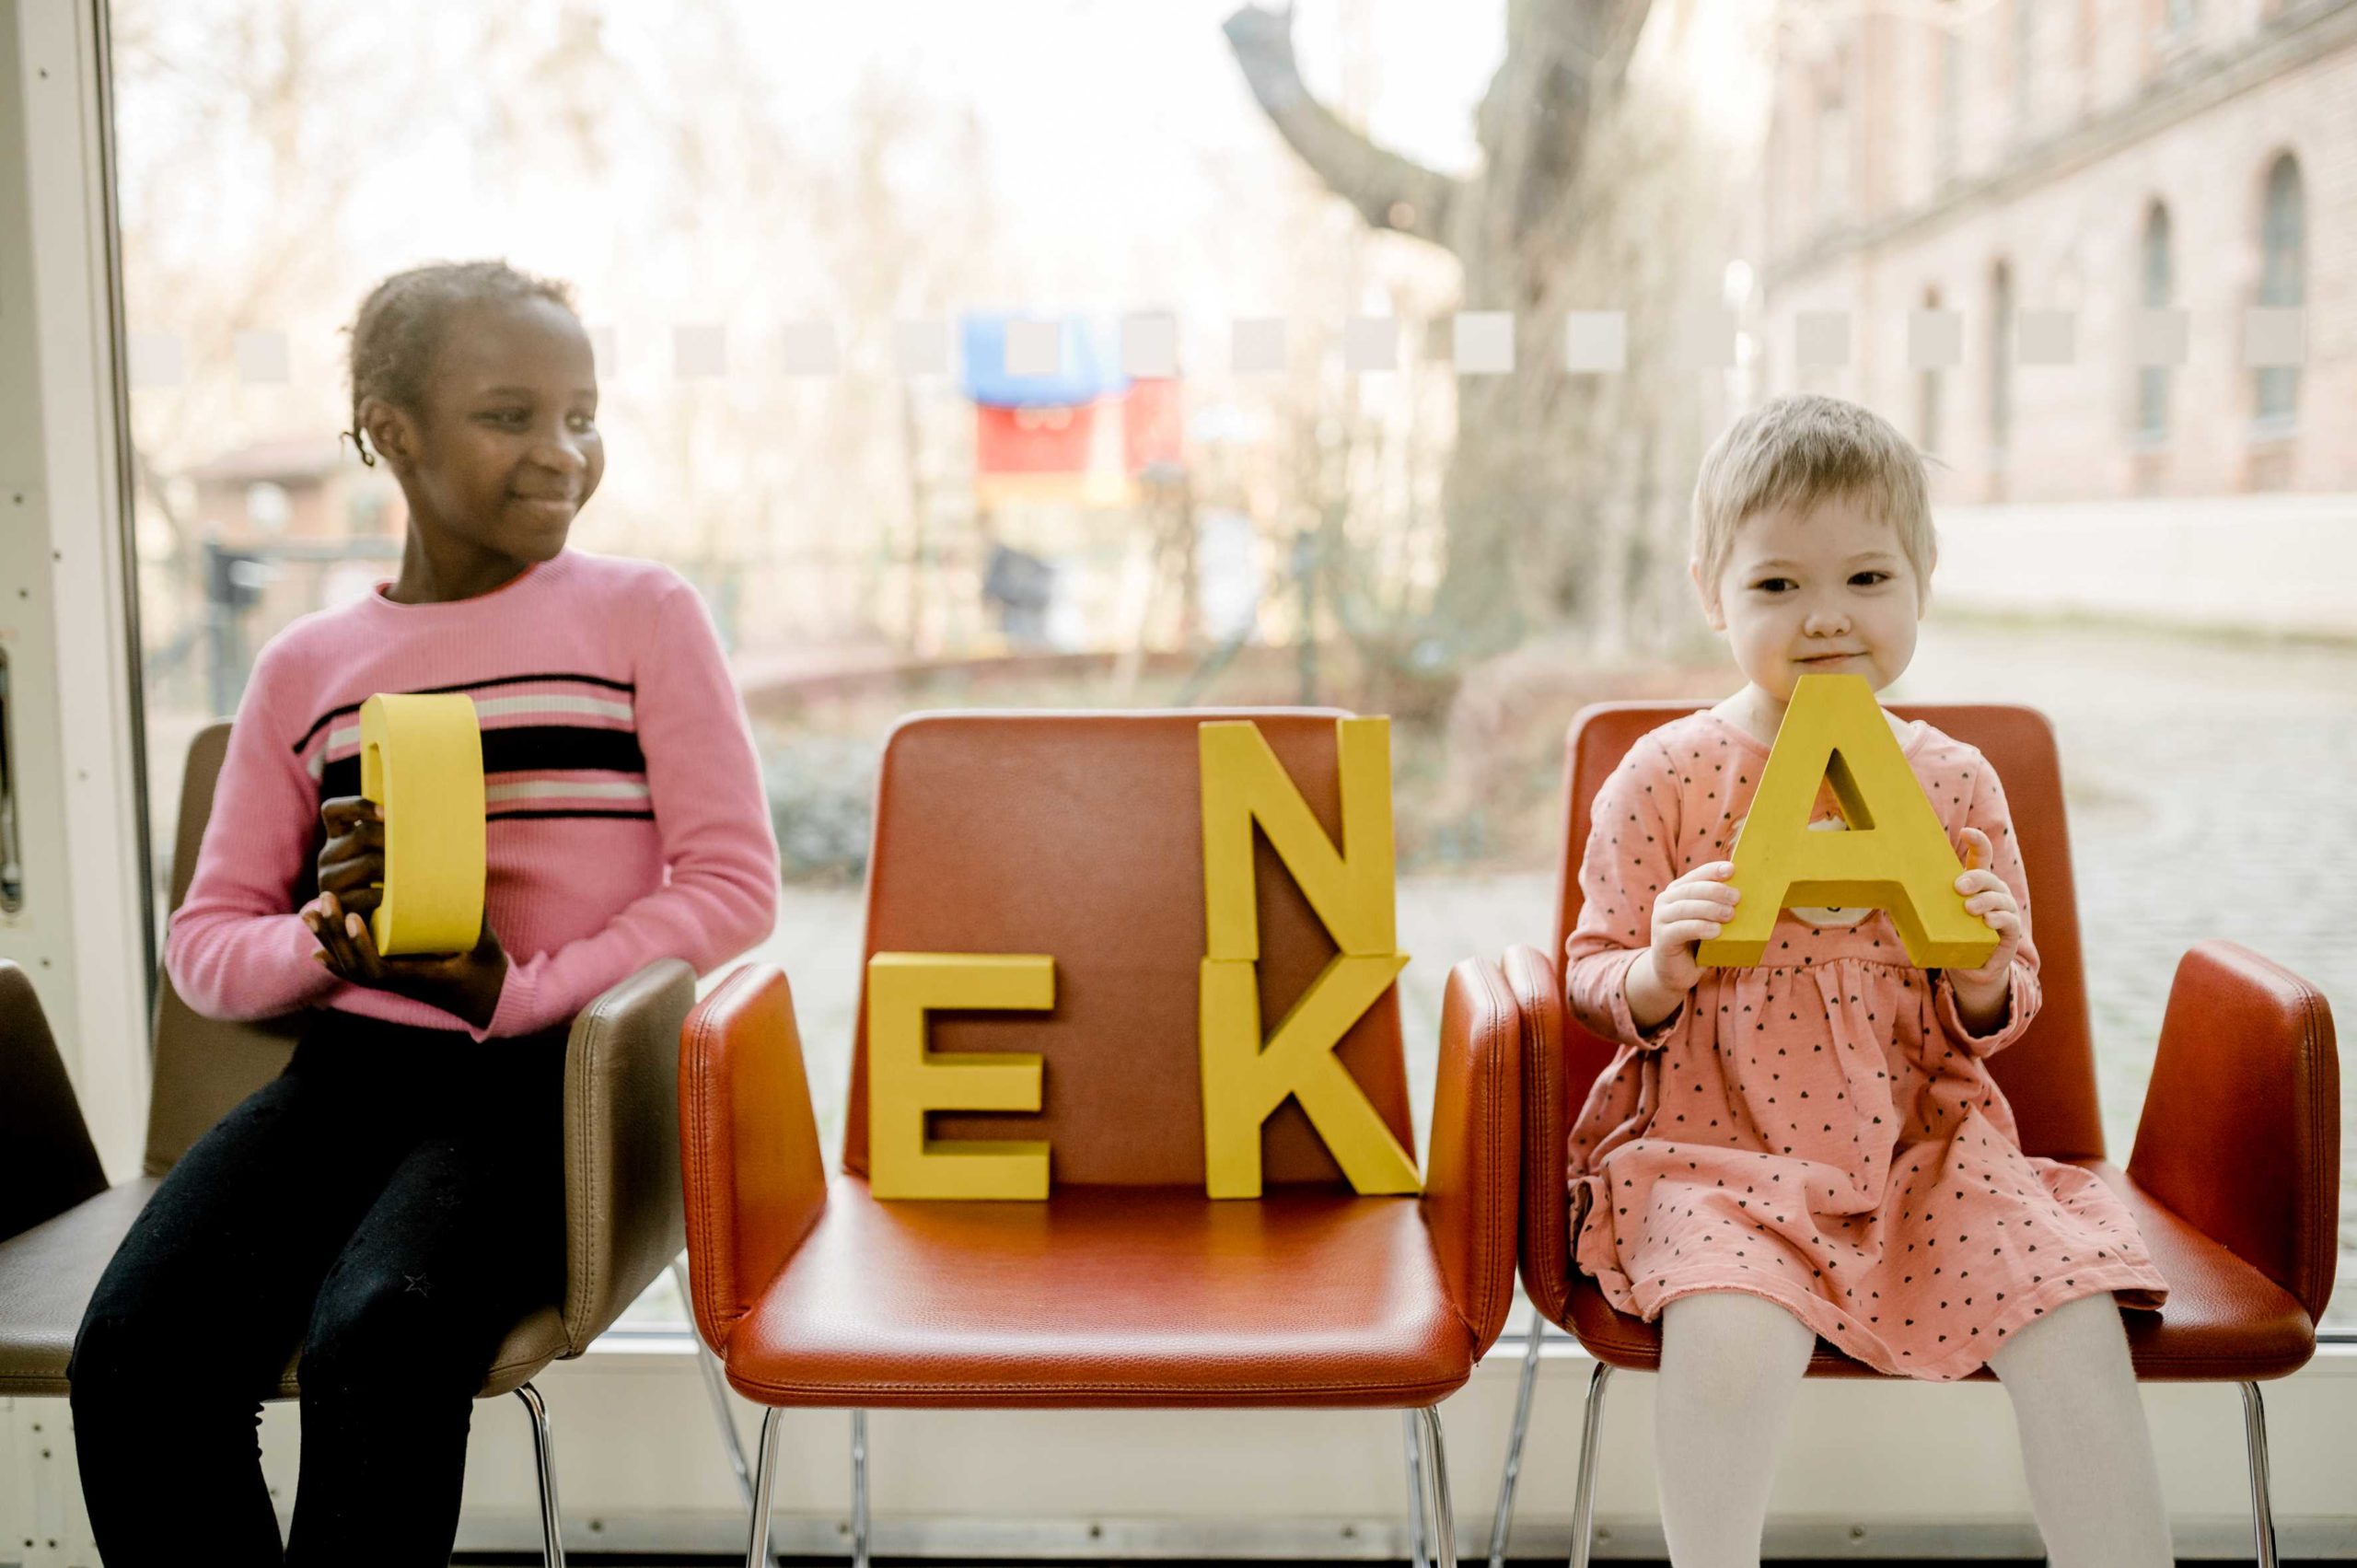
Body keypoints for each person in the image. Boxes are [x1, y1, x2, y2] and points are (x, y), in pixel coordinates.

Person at [68, 260, 780, 1564]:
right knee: (136, 1349)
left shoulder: (643, 614)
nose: (561, 452)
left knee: (384, 1324)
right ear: (392, 432)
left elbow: (731, 886)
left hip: (551, 1085)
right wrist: (319, 942)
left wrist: (515, 989)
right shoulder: (308, 667)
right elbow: (208, 942)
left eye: (581, 413)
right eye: (511, 415)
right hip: (349, 1075)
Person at [1562, 393, 2172, 1566]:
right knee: (1726, 1334)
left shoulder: (1952, 782)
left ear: (1922, 582)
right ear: (1712, 592)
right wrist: (1655, 967)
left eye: (1867, 580)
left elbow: (2000, 1010)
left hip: (1924, 1146)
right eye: (1778, 586)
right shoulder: (1668, 774)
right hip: (1719, 1146)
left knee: (2072, 1320)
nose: (1827, 619)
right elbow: (1588, 975)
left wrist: (1988, 970)